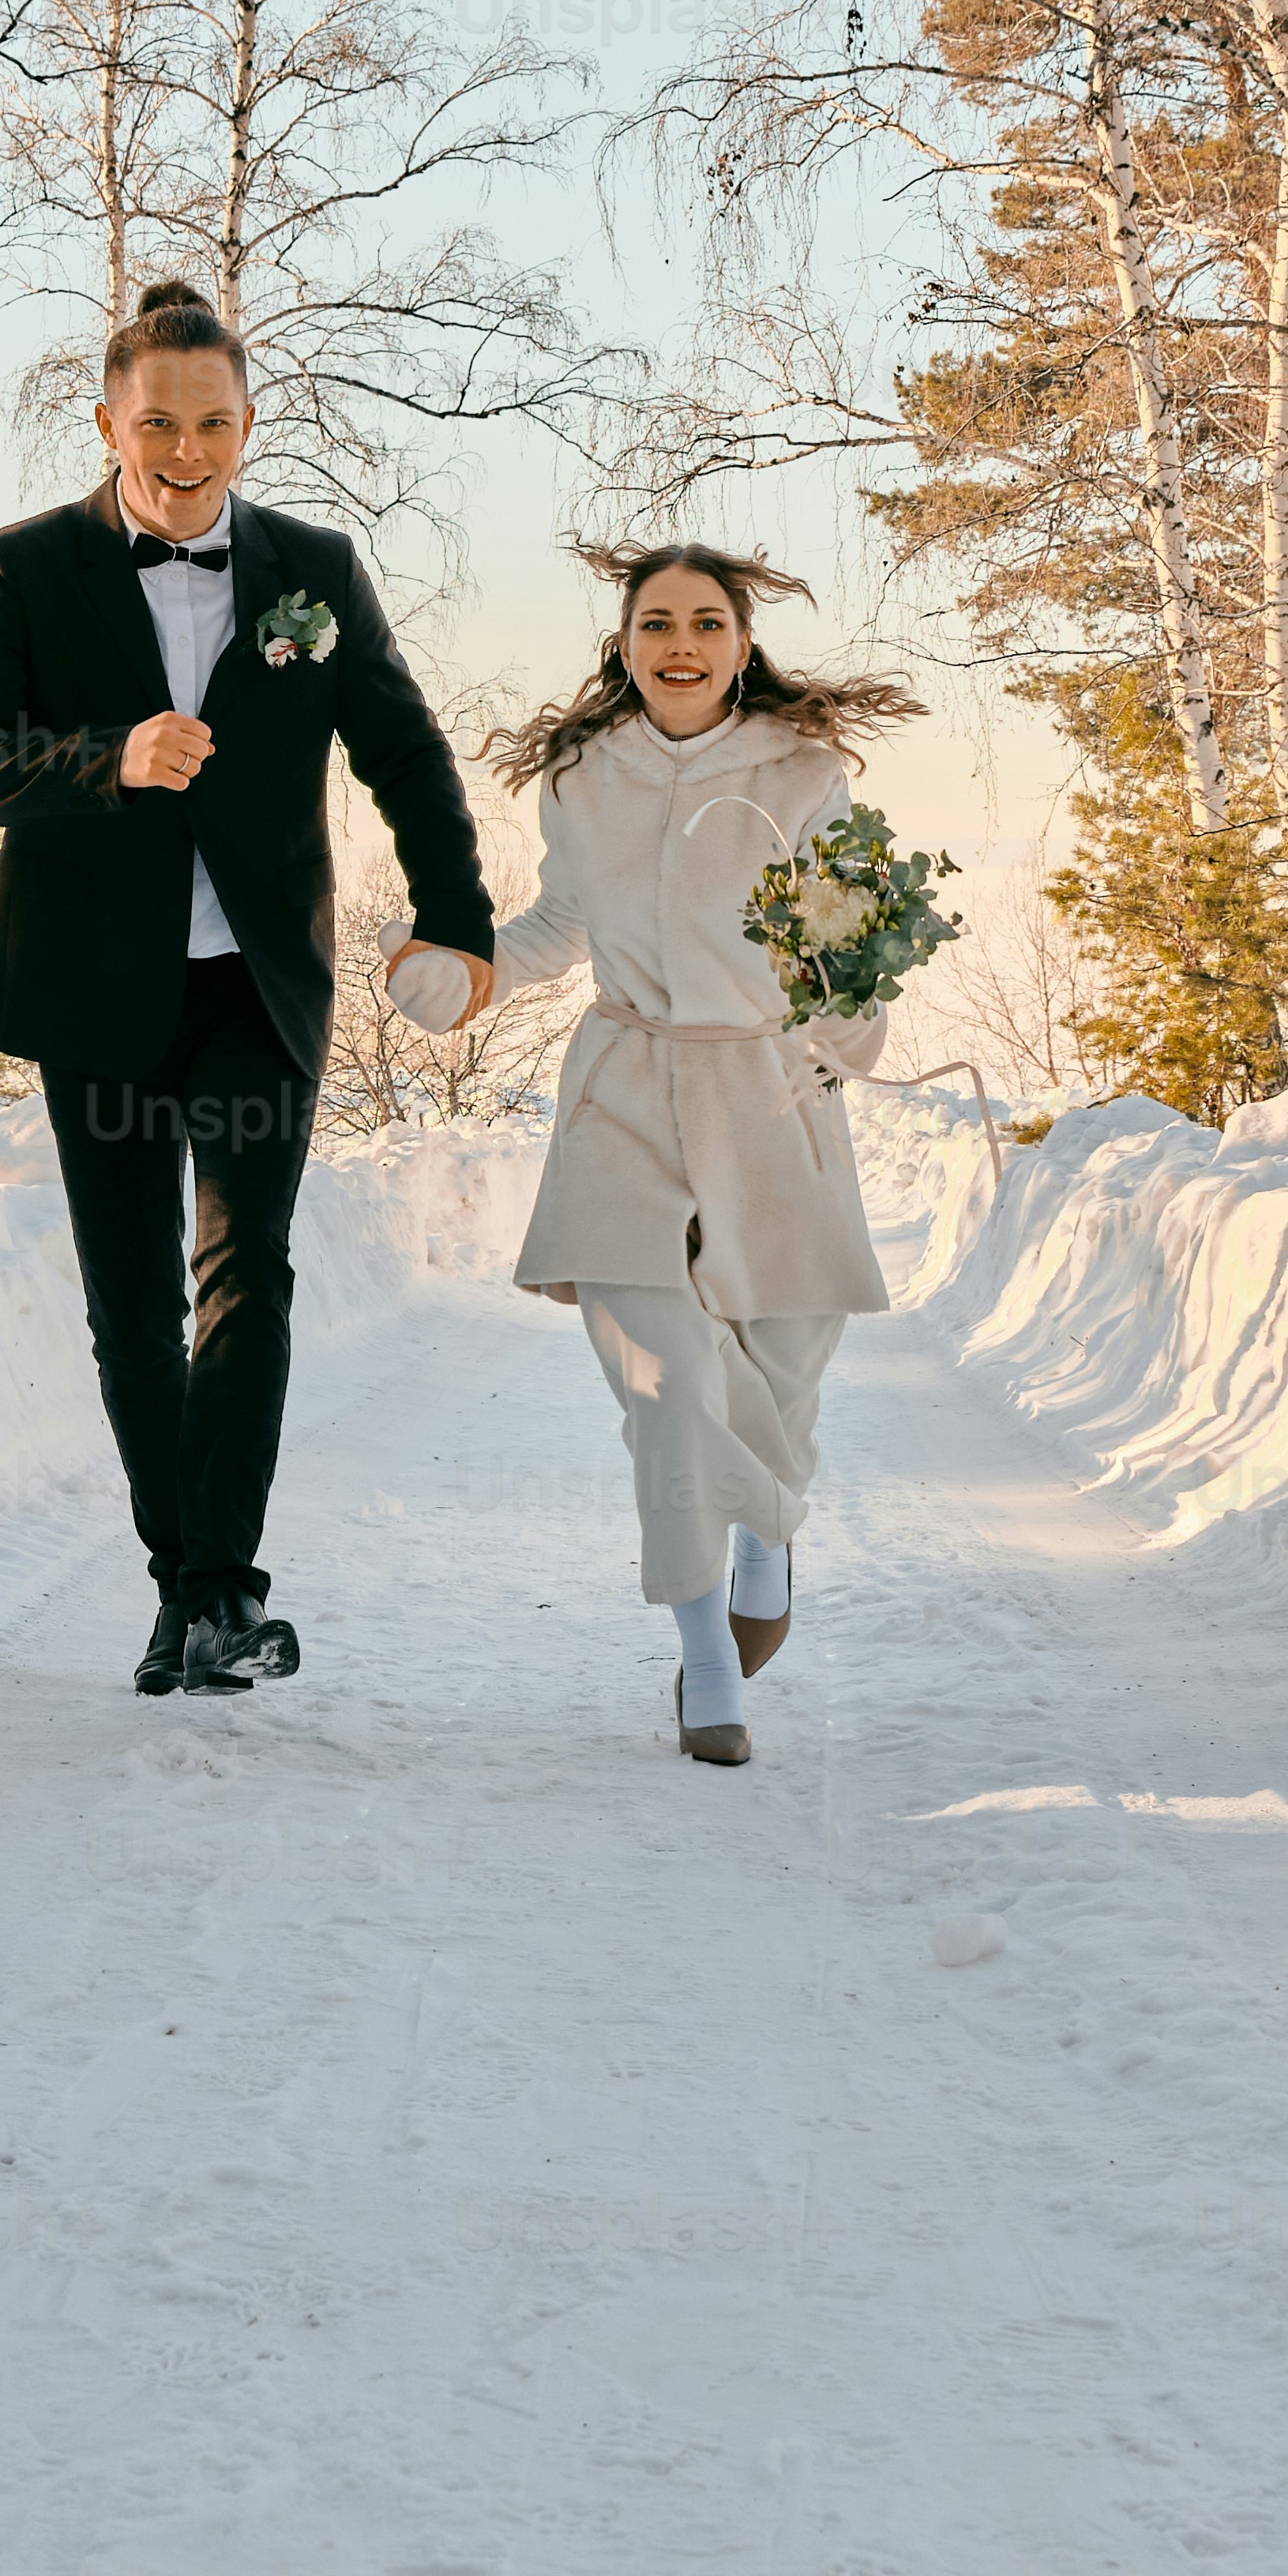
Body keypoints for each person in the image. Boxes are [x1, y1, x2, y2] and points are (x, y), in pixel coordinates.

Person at [0, 280, 495, 1694]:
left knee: (246, 1275)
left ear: (247, 424)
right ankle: (184, 1583)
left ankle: (222, 1588)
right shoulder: (23, 566)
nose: (188, 450)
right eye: (159, 423)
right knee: (132, 1307)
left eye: (215, 422)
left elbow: (404, 752)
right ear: (107, 422)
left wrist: (458, 917)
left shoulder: (315, 569)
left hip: (255, 984)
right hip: (94, 992)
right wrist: (104, 758)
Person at [400, 547, 920, 1766]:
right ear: (624, 644)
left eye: (705, 623)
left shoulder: (804, 771)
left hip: (770, 1092)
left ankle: (766, 1537)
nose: (680, 643)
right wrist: (464, 975)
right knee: (664, 1386)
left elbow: (845, 929)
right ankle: (707, 1660)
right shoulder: (584, 776)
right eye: (656, 624)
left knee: (778, 1377)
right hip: (626, 1093)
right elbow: (559, 924)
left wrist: (855, 1002)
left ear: (742, 644)